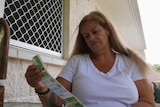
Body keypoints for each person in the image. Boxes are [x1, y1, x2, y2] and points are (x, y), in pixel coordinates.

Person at [25, 11, 155, 107]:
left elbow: (148, 102)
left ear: (107, 30)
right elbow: (55, 101)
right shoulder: (77, 62)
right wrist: (41, 87)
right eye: (86, 36)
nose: (91, 38)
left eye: (95, 32)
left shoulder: (130, 63)